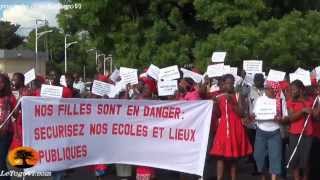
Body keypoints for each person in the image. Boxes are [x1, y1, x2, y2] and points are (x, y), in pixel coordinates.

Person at [209, 74, 252, 180]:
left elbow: (242, 113)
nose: (230, 85)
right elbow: (218, 113)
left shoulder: (238, 95)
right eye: (228, 83)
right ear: (223, 84)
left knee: (233, 158)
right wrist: (214, 104)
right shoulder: (219, 97)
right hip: (223, 128)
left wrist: (232, 102)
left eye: (232, 83)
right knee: (220, 156)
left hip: (235, 128)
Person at [252, 81, 288, 180]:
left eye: (268, 88)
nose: (266, 90)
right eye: (266, 88)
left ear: (274, 90)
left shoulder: (280, 101)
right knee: (258, 156)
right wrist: (252, 116)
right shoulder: (260, 100)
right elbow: (255, 113)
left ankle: (273, 178)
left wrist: (281, 119)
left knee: (275, 157)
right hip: (261, 131)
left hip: (275, 132)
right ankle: (264, 176)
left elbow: (285, 117)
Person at [284, 80, 315, 180]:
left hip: (308, 134)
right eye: (291, 90)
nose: (292, 92)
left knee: (305, 161)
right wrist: (302, 111)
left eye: (294, 89)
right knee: (294, 160)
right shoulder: (290, 101)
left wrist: (314, 111)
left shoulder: (311, 100)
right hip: (294, 134)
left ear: (301, 90)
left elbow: (316, 116)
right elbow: (291, 118)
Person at [0, 73, 17, 180]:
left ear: (5, 84)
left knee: (1, 160)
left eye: (1, 82)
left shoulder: (10, 97)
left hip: (5, 134)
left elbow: (15, 114)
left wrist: (18, 104)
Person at [10, 72, 33, 150]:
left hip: (22, 124)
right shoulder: (21, 91)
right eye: (12, 79)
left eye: (14, 80)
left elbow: (15, 113)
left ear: (21, 81)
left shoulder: (25, 93)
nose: (12, 82)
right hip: (18, 124)